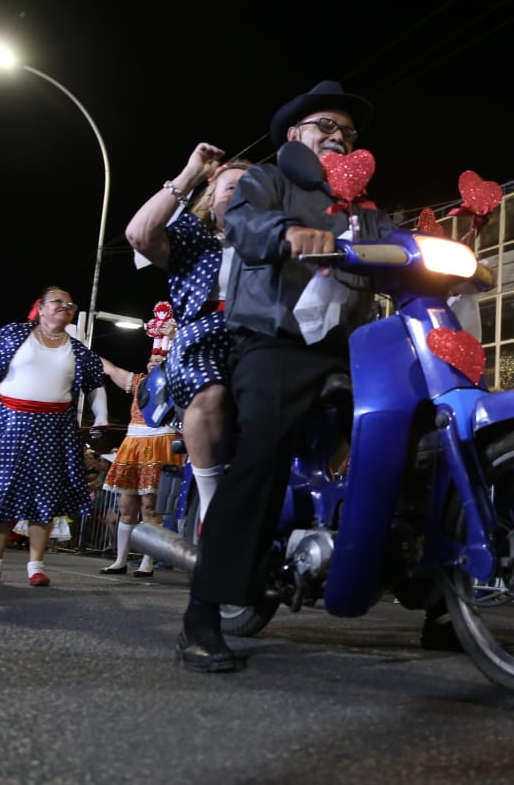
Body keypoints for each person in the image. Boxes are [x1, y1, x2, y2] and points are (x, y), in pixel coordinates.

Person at [169, 80, 407, 673]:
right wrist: (287, 233)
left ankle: (440, 601)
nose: (337, 136)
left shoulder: (364, 206)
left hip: (350, 346)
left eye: (347, 132)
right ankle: (200, 617)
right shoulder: (268, 181)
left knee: (418, 437)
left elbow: (393, 258)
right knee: (262, 454)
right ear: (294, 134)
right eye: (325, 125)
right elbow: (247, 226)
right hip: (276, 342)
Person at [126, 147, 253, 543]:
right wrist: (191, 173)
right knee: (211, 391)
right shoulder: (192, 236)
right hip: (204, 334)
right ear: (210, 197)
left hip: (262, 334)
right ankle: (213, 512)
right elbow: (138, 235)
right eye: (230, 186)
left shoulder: (275, 241)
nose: (239, 193)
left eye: (250, 188)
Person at [0, 286, 109, 587]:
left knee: (46, 493)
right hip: (8, 420)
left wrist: (102, 416)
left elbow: (96, 383)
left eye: (70, 304)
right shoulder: (15, 333)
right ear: (40, 308)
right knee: (1, 490)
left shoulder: (77, 348)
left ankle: (35, 565)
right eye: (58, 302)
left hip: (54, 425)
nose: (65, 307)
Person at [98, 349, 184, 577]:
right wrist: (78, 348)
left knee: (150, 506)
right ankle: (120, 560)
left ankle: (147, 561)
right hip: (133, 443)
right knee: (126, 506)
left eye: (159, 360)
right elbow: (111, 369)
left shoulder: (176, 382)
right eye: (150, 360)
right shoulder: (138, 382)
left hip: (159, 441)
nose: (152, 363)